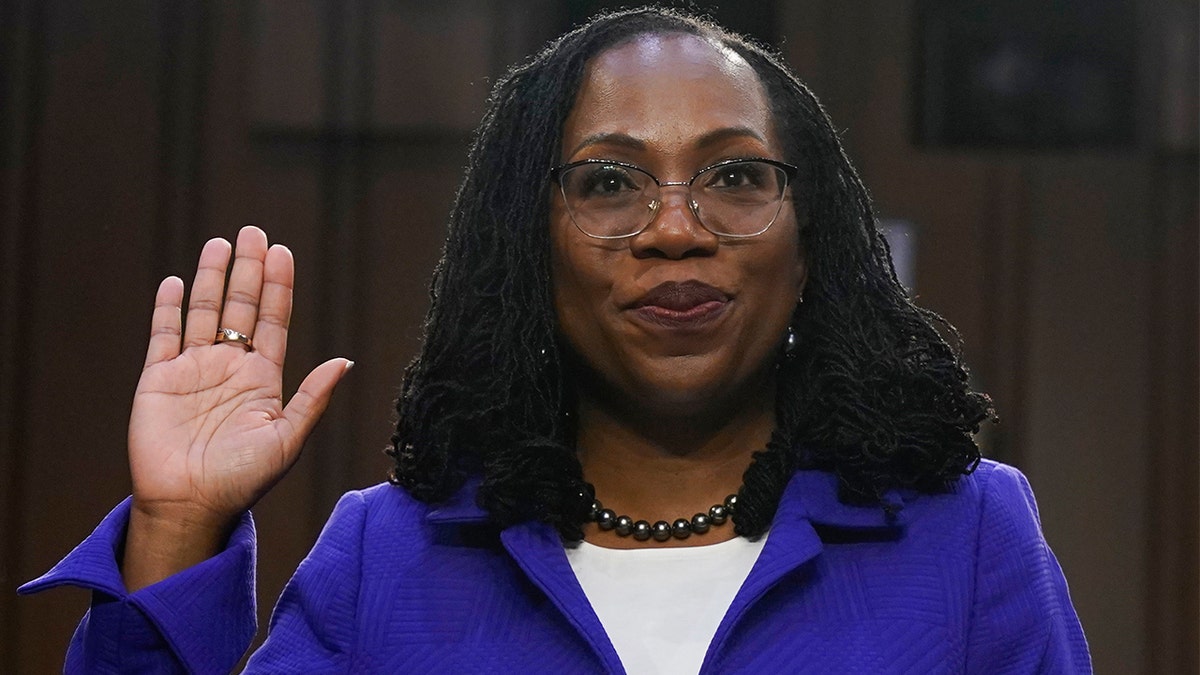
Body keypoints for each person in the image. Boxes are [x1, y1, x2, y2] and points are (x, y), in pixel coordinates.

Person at [20, 7, 1090, 674]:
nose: (676, 229)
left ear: (812, 249)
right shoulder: (383, 559)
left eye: (735, 175)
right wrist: (175, 530)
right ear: (528, 250)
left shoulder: (968, 539)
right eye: (610, 182)